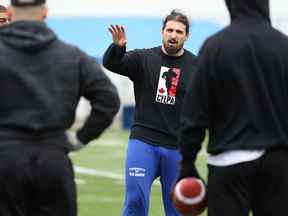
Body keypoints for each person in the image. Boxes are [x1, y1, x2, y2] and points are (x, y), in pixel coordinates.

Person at [0, 0, 120, 216]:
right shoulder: (72, 55)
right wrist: (80, 137)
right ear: (45, 13)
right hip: (53, 160)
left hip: (6, 161)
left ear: (9, 12)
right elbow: (108, 99)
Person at [177, 0, 288, 216]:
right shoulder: (284, 46)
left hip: (230, 163)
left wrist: (187, 163)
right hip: (279, 163)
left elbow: (195, 113)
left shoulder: (215, 46)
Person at [103, 10, 197, 216]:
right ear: (162, 32)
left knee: (177, 208)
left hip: (177, 147)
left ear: (186, 36)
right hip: (144, 141)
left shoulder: (197, 66)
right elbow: (111, 63)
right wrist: (117, 48)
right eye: (170, 30)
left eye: (179, 32)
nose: (173, 35)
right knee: (135, 200)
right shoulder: (143, 58)